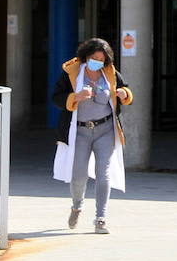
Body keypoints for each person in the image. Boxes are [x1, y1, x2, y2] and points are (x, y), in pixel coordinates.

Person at [52, 38, 133, 234]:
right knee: (78, 175)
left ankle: (100, 218)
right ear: (85, 56)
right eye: (94, 58)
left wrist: (124, 93)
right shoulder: (72, 72)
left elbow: (126, 90)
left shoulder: (110, 73)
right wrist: (76, 97)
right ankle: (77, 206)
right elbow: (56, 97)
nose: (97, 62)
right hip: (79, 131)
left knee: (103, 172)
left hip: (105, 129)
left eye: (101, 59)